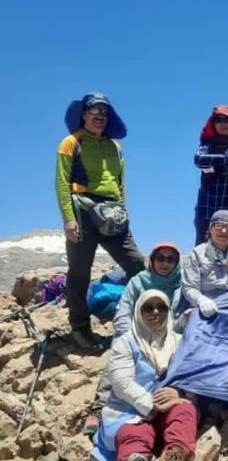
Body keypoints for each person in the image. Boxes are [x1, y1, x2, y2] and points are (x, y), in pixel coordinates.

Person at [56, 92, 145, 350]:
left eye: (104, 112)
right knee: (79, 272)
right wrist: (68, 220)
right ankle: (80, 327)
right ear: (83, 114)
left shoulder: (115, 147)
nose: (99, 116)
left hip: (112, 212)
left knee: (137, 265)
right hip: (82, 212)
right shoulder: (71, 142)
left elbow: (120, 183)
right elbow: (62, 183)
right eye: (94, 111)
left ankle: (141, 320)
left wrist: (122, 210)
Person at [91, 290, 197, 461]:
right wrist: (153, 405)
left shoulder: (179, 342)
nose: (155, 312)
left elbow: (193, 376)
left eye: (161, 307)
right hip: (130, 409)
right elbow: (122, 383)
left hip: (168, 406)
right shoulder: (126, 343)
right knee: (134, 432)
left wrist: (179, 393)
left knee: (185, 410)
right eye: (148, 308)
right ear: (138, 312)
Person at [84, 243, 183, 436]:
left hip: (167, 335)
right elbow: (123, 313)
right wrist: (135, 337)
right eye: (160, 258)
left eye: (171, 259)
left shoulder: (181, 284)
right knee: (120, 356)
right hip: (136, 332)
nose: (165, 263)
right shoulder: (138, 282)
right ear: (152, 260)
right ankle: (99, 408)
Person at [181, 210, 228, 320]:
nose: (224, 231)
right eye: (218, 226)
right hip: (205, 311)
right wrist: (201, 300)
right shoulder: (196, 254)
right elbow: (189, 287)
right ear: (210, 228)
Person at [193, 105, 228, 245]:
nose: (223, 123)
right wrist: (227, 158)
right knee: (202, 248)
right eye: (219, 120)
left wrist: (213, 167)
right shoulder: (206, 144)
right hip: (206, 207)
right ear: (213, 124)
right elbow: (199, 160)